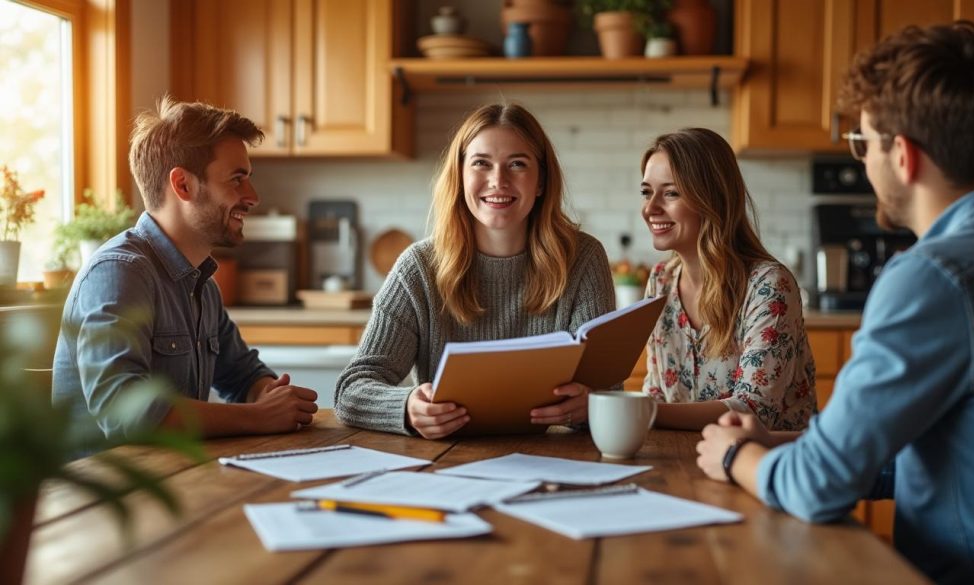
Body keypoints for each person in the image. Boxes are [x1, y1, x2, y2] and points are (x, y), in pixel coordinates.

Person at [695, 22, 974, 585]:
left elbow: (820, 486)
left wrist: (732, 456)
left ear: (903, 156)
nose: (863, 162)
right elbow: (932, 457)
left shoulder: (934, 278)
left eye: (863, 143)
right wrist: (774, 442)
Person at [335, 103, 616, 439]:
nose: (498, 181)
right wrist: (407, 407)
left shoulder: (582, 258)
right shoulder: (418, 268)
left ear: (540, 181)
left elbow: (608, 390)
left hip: (554, 460)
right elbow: (351, 391)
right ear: (461, 175)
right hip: (442, 465)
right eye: (481, 163)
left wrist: (590, 405)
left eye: (517, 164)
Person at [53, 97, 318, 444]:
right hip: (111, 493)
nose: (252, 196)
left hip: (177, 480)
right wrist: (257, 416)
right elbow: (123, 412)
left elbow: (241, 375)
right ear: (183, 185)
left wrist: (269, 394)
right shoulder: (120, 272)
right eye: (237, 179)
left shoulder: (203, 285)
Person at [639, 128, 816, 432]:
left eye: (671, 193)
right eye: (646, 191)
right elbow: (657, 392)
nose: (650, 208)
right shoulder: (661, 281)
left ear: (712, 198)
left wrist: (641, 411)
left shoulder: (769, 286)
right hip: (686, 460)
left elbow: (753, 410)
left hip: (765, 467)